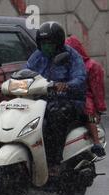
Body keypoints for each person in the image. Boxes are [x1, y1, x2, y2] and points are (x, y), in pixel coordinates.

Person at [26, 22, 87, 175]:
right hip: (42, 101)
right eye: (43, 43)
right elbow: (26, 71)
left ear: (58, 43)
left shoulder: (72, 56)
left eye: (49, 43)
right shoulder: (38, 56)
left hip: (68, 101)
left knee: (55, 116)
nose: (46, 46)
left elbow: (80, 77)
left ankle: (54, 161)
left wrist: (66, 85)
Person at [65, 35, 107, 158]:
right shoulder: (68, 66)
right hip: (69, 96)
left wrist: (99, 109)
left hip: (85, 97)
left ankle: (96, 142)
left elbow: (98, 89)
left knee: (88, 111)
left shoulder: (92, 66)